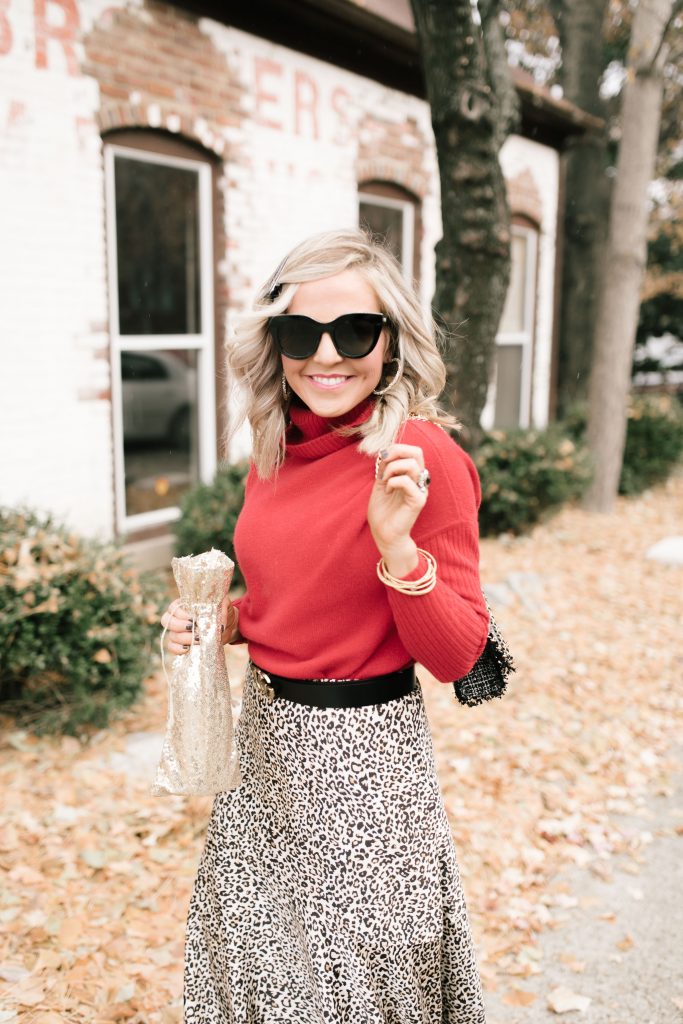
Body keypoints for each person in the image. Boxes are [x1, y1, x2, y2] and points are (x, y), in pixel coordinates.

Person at [160, 228, 490, 1023]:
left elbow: (459, 654)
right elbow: (291, 598)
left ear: (391, 340)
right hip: (266, 748)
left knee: (350, 993)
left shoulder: (419, 456)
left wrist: (396, 545)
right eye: (300, 333)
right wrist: (220, 624)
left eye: (354, 330)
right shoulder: (277, 447)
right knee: (263, 975)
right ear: (273, 343)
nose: (326, 355)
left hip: (365, 767)